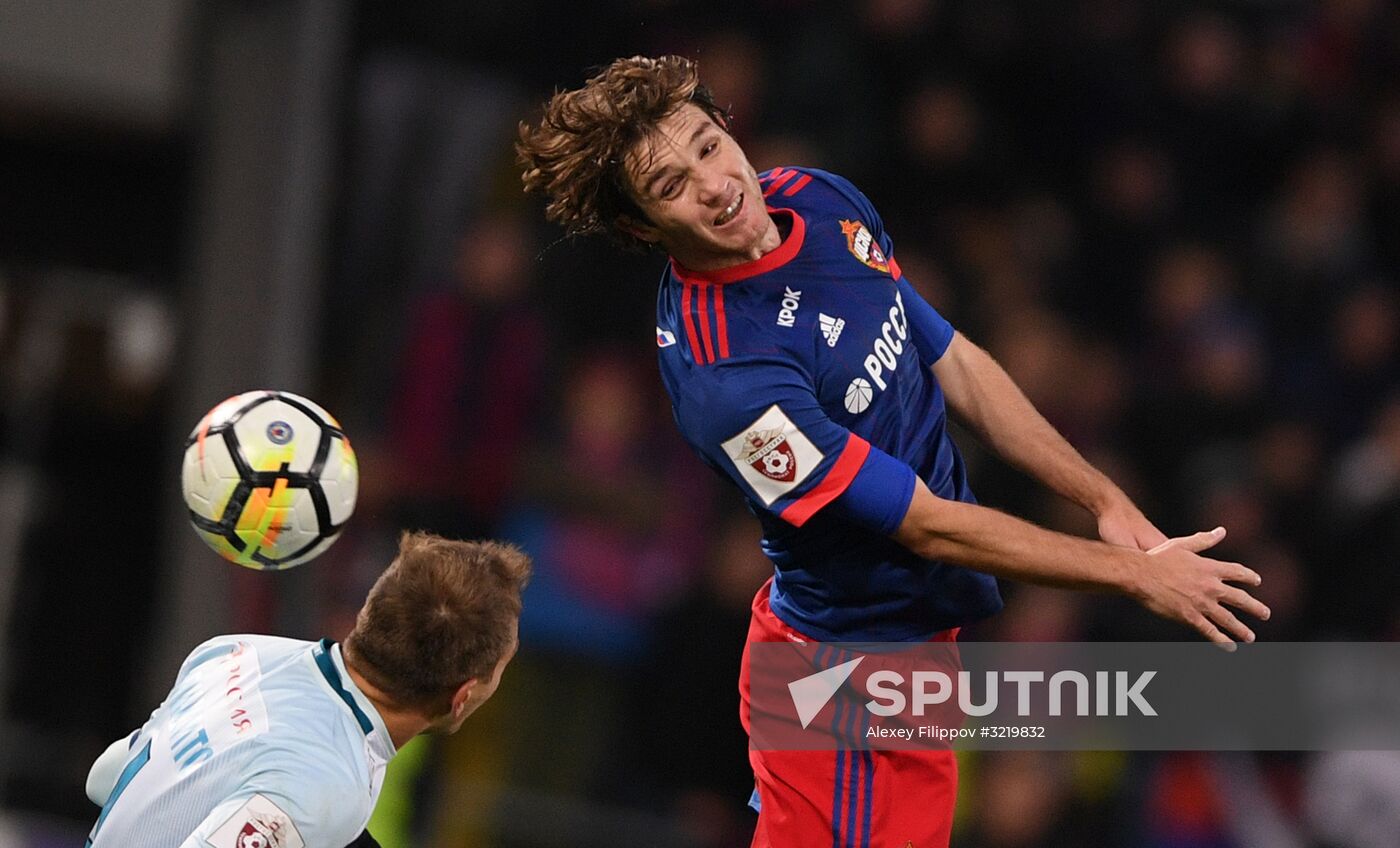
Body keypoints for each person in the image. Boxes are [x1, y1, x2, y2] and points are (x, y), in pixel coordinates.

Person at [517, 55, 1273, 848]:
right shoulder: (725, 378)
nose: (712, 182)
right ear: (642, 226)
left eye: (707, 145)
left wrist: (1105, 502)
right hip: (837, 679)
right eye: (671, 185)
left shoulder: (818, 198)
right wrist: (1135, 577)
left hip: (916, 658)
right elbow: (925, 526)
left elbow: (954, 364)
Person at [83, 531, 530, 848]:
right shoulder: (326, 784)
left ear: (370, 615)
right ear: (464, 695)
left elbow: (105, 777)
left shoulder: (236, 652)